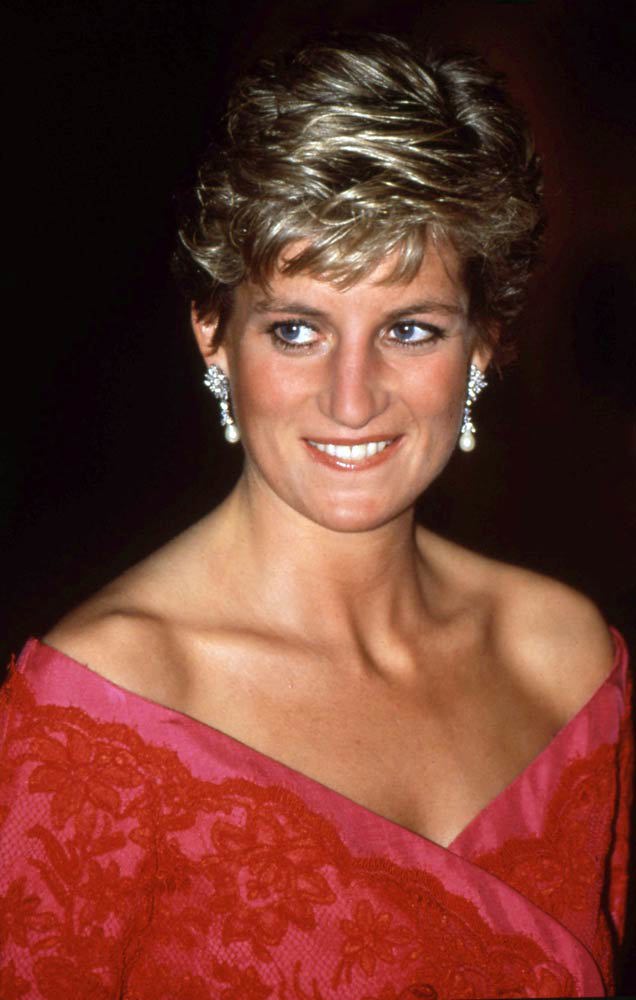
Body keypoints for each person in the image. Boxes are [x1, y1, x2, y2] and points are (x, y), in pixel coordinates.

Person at [0, 32, 632, 1000]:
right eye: (295, 328)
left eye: (410, 329)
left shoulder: (569, 660)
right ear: (212, 335)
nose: (350, 398)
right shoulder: (95, 710)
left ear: (485, 345)